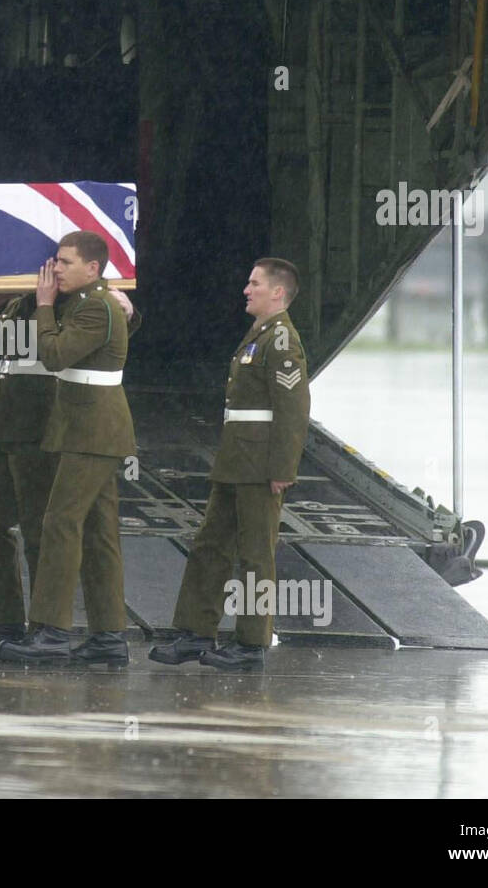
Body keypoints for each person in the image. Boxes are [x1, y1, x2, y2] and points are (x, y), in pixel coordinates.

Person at [0, 287, 140, 659]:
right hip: (8, 422)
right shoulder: (17, 302)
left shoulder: (77, 303)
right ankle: (5, 620)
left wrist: (129, 314)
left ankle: (45, 628)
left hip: (45, 424)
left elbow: (93, 338)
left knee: (41, 530)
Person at [149, 258, 310, 670]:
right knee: (210, 546)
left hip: (259, 466)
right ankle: (195, 632)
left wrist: (282, 469)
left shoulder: (281, 342)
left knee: (256, 554)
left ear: (277, 292)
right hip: (235, 461)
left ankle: (251, 642)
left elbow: (292, 411)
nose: (246, 289)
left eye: (254, 283)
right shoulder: (258, 336)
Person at [0, 231, 135, 665]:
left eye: (66, 262)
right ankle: (109, 637)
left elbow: (54, 355)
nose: (56, 269)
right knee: (98, 533)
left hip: (91, 432)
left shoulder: (98, 305)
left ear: (93, 268)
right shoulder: (93, 301)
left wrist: (41, 305)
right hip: (85, 429)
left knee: (60, 522)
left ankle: (53, 631)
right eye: (56, 260)